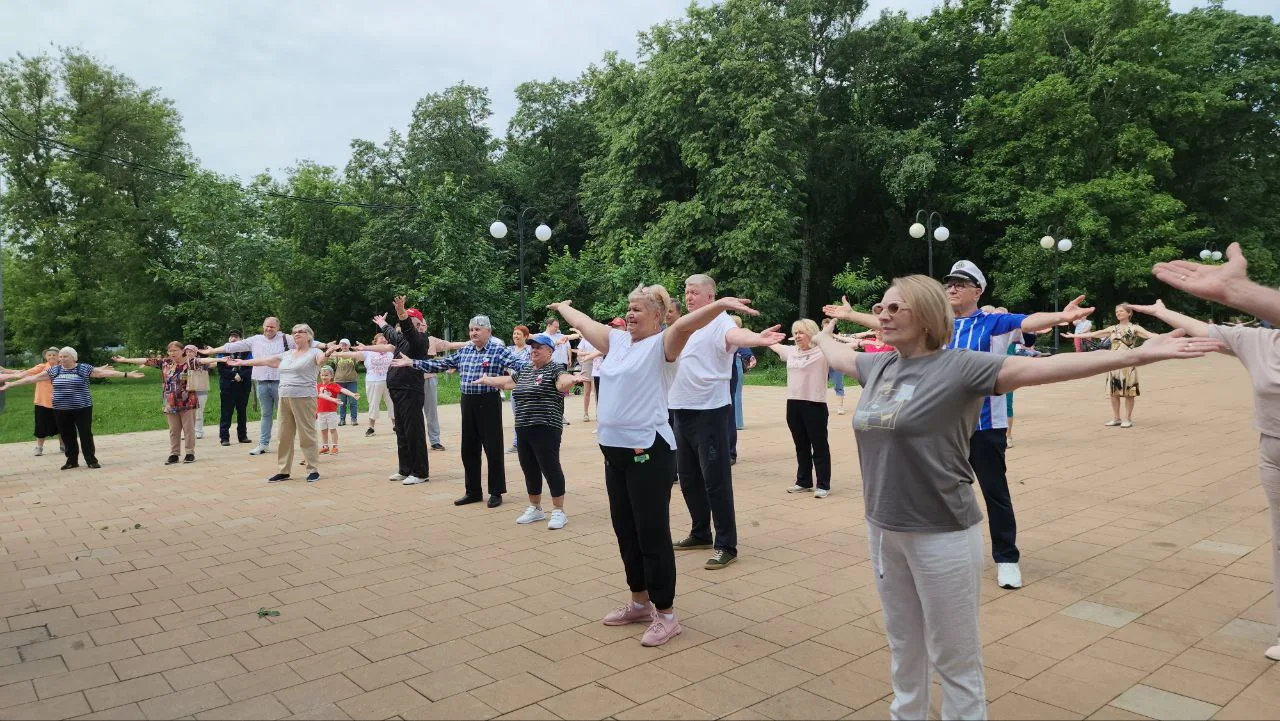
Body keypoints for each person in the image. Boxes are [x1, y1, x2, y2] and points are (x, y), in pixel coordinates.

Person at [812, 274, 1220, 719]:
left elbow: (1041, 369)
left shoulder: (962, 366)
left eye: (896, 308)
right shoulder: (878, 366)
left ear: (928, 316)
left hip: (942, 531)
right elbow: (834, 352)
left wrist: (1140, 353)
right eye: (881, 308)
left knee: (954, 654)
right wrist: (816, 332)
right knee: (903, 641)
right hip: (884, 528)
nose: (883, 315)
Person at [824, 260, 1093, 590]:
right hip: (935, 426)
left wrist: (1062, 317)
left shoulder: (993, 322)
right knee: (936, 487)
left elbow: (1029, 320)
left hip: (982, 425)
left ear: (978, 291)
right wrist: (850, 317)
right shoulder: (935, 323)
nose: (951, 288)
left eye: (960, 284)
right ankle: (934, 548)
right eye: (948, 283)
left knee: (995, 493)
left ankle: (1007, 558)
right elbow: (893, 319)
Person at [547, 286, 762, 647]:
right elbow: (584, 323)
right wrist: (565, 307)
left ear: (658, 315)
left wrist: (721, 304)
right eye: (628, 309)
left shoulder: (663, 344)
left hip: (650, 452)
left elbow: (687, 325)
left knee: (652, 534)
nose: (630, 314)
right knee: (625, 531)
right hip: (614, 454)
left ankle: (666, 614)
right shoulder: (616, 341)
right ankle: (639, 602)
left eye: (638, 310)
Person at [1139, 243, 1280, 660]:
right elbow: (1203, 330)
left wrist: (1236, 291)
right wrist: (1162, 312)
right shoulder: (1259, 342)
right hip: (1273, 451)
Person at [669, 274, 784, 570]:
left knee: (715, 481)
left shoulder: (721, 322)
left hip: (710, 412)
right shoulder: (684, 325)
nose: (689, 297)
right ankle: (700, 533)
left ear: (711, 297)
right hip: (681, 411)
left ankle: (726, 544)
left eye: (695, 292)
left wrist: (757, 339)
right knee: (688, 478)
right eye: (686, 292)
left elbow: (736, 338)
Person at [395, 315, 531, 507]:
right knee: (468, 449)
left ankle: (496, 492)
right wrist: (413, 363)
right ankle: (473, 491)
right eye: (471, 329)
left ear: (488, 331)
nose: (473, 333)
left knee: (493, 449)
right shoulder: (466, 349)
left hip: (489, 402)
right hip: (467, 402)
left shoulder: (497, 349)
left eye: (478, 329)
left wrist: (513, 381)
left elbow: (523, 366)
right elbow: (442, 364)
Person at [473, 333, 584, 529]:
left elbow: (561, 382)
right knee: (529, 468)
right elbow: (508, 382)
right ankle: (536, 508)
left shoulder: (554, 368)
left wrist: (572, 380)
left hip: (546, 427)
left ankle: (559, 511)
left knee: (550, 468)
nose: (534, 350)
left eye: (538, 347)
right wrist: (488, 380)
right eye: (532, 347)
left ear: (549, 351)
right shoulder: (525, 369)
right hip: (523, 427)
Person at [0, 348, 143, 469]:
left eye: (65, 356)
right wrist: (11, 385)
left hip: (82, 407)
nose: (61, 359)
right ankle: (71, 461)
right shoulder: (54, 370)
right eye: (60, 356)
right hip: (61, 409)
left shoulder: (83, 368)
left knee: (85, 433)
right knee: (67, 434)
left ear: (73, 357)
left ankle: (91, 460)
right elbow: (32, 379)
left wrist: (127, 374)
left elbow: (103, 373)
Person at [226, 324, 327, 483]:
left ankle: (312, 469)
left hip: (304, 397)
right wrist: (241, 363)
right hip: (285, 397)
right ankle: (283, 471)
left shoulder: (315, 352)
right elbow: (265, 360)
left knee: (307, 434)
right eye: (294, 332)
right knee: (283, 435)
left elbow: (321, 360)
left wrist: (327, 354)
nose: (297, 334)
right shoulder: (287, 354)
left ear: (309, 335)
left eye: (301, 331)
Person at [201, 317, 311, 456]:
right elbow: (232, 346)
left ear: (278, 327)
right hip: (262, 383)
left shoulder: (286, 338)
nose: (269, 329)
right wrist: (213, 351)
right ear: (263, 326)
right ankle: (263, 444)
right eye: (267, 326)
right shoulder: (255, 340)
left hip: (282, 383)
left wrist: (325, 347)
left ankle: (295, 445)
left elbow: (308, 342)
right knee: (265, 415)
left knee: (286, 416)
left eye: (272, 327)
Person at [113, 343, 220, 465]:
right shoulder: (165, 362)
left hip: (188, 401)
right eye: (170, 351)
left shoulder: (190, 362)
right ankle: (174, 454)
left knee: (189, 429)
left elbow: (204, 360)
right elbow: (146, 360)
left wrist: (220, 358)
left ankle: (190, 453)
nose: (172, 353)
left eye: (175, 350)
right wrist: (126, 360)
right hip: (170, 401)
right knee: (174, 430)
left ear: (182, 350)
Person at [377, 296, 444, 486]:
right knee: (401, 431)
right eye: (406, 321)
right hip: (397, 389)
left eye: (414, 322)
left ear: (421, 326)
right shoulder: (401, 340)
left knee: (413, 431)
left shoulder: (420, 340)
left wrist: (401, 312)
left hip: (410, 390)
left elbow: (407, 329)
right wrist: (383, 323)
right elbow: (392, 333)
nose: (408, 326)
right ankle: (405, 469)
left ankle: (420, 472)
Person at [767, 319, 832, 497]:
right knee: (801, 445)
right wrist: (763, 337)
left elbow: (831, 339)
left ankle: (823, 484)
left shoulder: (823, 352)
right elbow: (774, 346)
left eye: (801, 332)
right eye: (795, 332)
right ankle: (803, 481)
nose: (797, 336)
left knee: (819, 446)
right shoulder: (791, 352)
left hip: (815, 404)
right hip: (794, 404)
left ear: (811, 333)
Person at [1063, 305, 1154, 428]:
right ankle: (1116, 418)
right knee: (1113, 393)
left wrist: (1170, 339)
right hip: (1114, 364)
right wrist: (1074, 336)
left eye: (1121, 311)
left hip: (1128, 363)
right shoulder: (1112, 329)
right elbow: (1095, 334)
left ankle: (1128, 419)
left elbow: (1150, 335)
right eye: (1116, 311)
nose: (1118, 313)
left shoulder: (1134, 328)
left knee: (1129, 393)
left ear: (1129, 313)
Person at [0, 347, 62, 456]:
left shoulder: (64, 368)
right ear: (45, 357)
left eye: (54, 355)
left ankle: (63, 445)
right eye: (49, 355)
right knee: (40, 426)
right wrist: (6, 371)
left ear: (59, 357)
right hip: (42, 402)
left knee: (62, 425)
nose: (51, 356)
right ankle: (39, 447)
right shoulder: (41, 367)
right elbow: (26, 373)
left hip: (60, 402)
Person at [331, 334, 394, 437]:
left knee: (392, 403)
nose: (384, 339)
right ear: (375, 342)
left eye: (385, 338)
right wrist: (336, 354)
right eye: (381, 338)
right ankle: (371, 427)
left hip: (389, 381)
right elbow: (351, 355)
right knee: (373, 404)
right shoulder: (368, 352)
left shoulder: (391, 351)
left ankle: (396, 425)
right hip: (373, 381)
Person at [727, 316, 757, 463]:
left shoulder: (733, 333)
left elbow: (743, 344)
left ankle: (730, 452)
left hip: (731, 372)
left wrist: (750, 356)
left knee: (732, 403)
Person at [215, 333, 253, 447]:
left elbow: (250, 367)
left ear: (241, 340)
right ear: (228, 339)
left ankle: (243, 436)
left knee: (242, 412)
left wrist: (240, 375)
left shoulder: (247, 352)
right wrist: (233, 375)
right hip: (228, 386)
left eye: (236, 336)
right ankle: (224, 438)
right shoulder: (222, 352)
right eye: (231, 336)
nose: (233, 338)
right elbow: (221, 369)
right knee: (226, 412)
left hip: (243, 386)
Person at [315, 365, 360, 454]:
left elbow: (343, 390)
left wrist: (352, 394)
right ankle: (325, 446)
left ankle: (335, 446)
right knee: (323, 430)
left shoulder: (334, 385)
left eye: (326, 375)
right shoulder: (317, 386)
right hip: (320, 412)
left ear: (332, 376)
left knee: (332, 429)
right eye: (322, 375)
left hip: (331, 412)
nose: (324, 377)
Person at [507, 325, 532, 454]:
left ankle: (521, 443)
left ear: (526, 337)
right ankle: (519, 443)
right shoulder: (509, 350)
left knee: (528, 415)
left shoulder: (530, 350)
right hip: (514, 387)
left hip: (527, 386)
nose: (516, 336)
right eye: (514, 334)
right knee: (518, 416)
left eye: (519, 334)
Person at [331, 339, 360, 427]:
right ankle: (342, 419)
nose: (344, 346)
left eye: (345, 344)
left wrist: (357, 350)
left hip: (352, 381)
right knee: (341, 402)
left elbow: (359, 361)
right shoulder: (336, 355)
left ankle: (353, 419)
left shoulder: (353, 355)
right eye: (342, 345)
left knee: (353, 401)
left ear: (349, 345)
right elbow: (329, 361)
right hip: (339, 381)